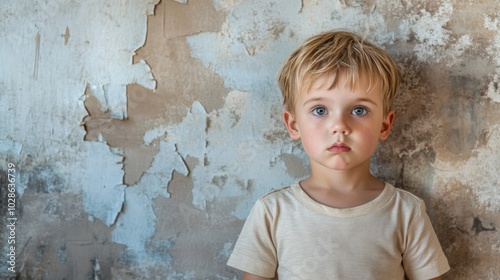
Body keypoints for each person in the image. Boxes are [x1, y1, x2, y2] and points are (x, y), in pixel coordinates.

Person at [227, 30, 450, 279]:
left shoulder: (406, 212)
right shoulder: (272, 212)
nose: (340, 126)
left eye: (359, 110)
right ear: (293, 124)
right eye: (320, 110)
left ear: (385, 125)